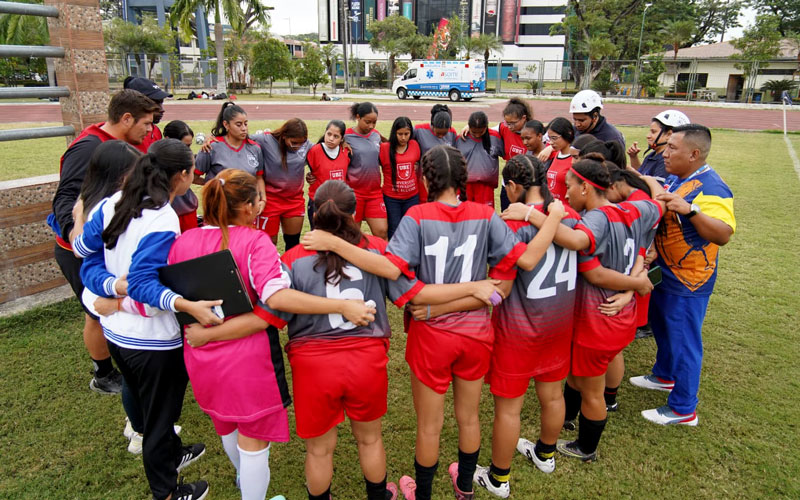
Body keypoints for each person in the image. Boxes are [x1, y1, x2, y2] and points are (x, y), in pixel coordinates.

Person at [304, 146, 565, 500]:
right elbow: (528, 261)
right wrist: (553, 217)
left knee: (430, 425)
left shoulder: (417, 216)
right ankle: (465, 487)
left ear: (425, 179)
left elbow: (400, 278)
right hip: (475, 332)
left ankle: (423, 494)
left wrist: (334, 242)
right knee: (469, 418)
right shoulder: (487, 215)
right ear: (463, 179)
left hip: (432, 336)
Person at [72, 139, 223, 500]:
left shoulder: (114, 202)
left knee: (145, 402)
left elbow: (82, 251)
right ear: (183, 176)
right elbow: (141, 285)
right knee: (159, 418)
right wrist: (187, 304)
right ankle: (167, 492)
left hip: (117, 335)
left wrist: (107, 288)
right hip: (151, 341)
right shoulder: (161, 218)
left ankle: (173, 452)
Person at [503, 154, 665, 462]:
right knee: (578, 378)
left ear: (586, 188)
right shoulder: (636, 208)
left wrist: (533, 215)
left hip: (599, 318)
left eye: (568, 187)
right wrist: (635, 280)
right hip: (621, 315)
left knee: (592, 389)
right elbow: (660, 201)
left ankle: (586, 448)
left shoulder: (594, 220)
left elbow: (580, 247)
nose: (563, 195)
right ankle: (568, 419)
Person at [469, 155, 579, 496]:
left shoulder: (511, 225)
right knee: (552, 394)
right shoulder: (570, 217)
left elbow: (502, 285)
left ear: (514, 187)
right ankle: (546, 454)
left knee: (509, 407)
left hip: (519, 329)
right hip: (559, 322)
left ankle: (498, 477)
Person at [50, 88, 160, 395]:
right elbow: (67, 198)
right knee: (96, 310)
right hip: (79, 248)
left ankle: (122, 360)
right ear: (126, 119)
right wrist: (77, 236)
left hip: (102, 241)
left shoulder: (117, 145)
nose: (150, 130)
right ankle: (103, 373)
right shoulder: (88, 147)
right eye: (146, 124)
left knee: (109, 305)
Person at [630, 124, 735, 426]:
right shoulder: (681, 177)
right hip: (667, 271)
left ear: (694, 153)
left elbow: (723, 234)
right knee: (663, 327)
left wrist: (691, 211)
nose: (664, 151)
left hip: (690, 280)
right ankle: (664, 375)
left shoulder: (713, 187)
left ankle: (684, 408)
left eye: (672, 148)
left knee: (685, 340)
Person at [253, 118, 312, 249]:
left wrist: (343, 143)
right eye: (294, 142)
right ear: (284, 136)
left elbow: (324, 150)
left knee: (293, 243)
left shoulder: (306, 145)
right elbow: (240, 139)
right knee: (267, 244)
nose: (298, 147)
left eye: (301, 143)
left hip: (294, 201)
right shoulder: (265, 140)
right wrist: (212, 138)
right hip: (269, 201)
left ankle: (290, 269)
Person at [345, 102, 388, 239]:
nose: (371, 126)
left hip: (374, 193)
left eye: (374, 122)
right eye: (367, 122)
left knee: (382, 232)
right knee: (352, 235)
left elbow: (388, 149)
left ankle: (380, 260)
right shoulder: (346, 136)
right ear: (358, 117)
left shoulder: (375, 135)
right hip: (354, 193)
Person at [381, 116, 421, 239]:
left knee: (410, 227)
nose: (403, 137)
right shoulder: (385, 148)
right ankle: (394, 255)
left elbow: (417, 162)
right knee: (394, 227)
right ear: (394, 133)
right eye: (400, 134)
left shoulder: (414, 145)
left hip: (412, 196)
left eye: (406, 134)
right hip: (392, 198)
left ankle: (409, 255)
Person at [306, 120, 351, 229]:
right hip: (318, 203)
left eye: (336, 136)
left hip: (339, 203)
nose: (331, 139)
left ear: (342, 138)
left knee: (338, 236)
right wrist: (309, 176)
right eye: (329, 134)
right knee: (319, 237)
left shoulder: (346, 152)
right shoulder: (314, 151)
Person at [627, 110, 690, 183]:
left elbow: (656, 189)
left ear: (669, 135)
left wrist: (629, 171)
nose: (648, 136)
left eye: (653, 132)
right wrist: (634, 157)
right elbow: (642, 173)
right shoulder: (653, 155)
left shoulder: (666, 160)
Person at [456, 111, 504, 208]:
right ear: (469, 126)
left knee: (485, 216)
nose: (477, 135)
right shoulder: (461, 138)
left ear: (486, 127)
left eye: (481, 132)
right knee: (464, 214)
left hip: (486, 188)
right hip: (465, 187)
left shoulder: (495, 137)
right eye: (474, 132)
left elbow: (506, 154)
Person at [414, 104, 457, 202]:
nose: (441, 136)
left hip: (445, 179)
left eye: (444, 133)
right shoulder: (419, 130)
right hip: (424, 180)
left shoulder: (452, 133)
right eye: (438, 133)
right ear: (432, 124)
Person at [163, 120, 200, 232]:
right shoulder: (158, 161)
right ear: (168, 140)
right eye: (183, 146)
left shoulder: (187, 159)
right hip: (172, 212)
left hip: (187, 212)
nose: (187, 151)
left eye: (189, 146)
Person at [123, 76, 173, 153]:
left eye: (161, 103)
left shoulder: (155, 131)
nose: (162, 109)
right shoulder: (120, 137)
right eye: (155, 103)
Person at [543, 117, 575, 205]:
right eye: (549, 138)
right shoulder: (556, 154)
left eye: (554, 138)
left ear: (568, 134)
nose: (551, 142)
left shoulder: (574, 159)